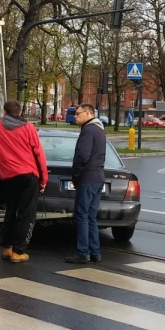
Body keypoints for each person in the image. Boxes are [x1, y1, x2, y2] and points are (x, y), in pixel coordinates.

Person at [0, 99, 48, 263]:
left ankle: (7, 248)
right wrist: (43, 179)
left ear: (4, 112)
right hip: (28, 175)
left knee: (11, 211)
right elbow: (39, 154)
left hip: (9, 176)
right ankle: (19, 251)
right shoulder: (28, 128)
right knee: (27, 214)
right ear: (20, 112)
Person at [66, 103, 106, 264]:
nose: (75, 116)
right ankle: (95, 252)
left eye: (78, 113)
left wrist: (75, 175)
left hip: (87, 177)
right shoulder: (99, 129)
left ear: (88, 114)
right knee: (91, 216)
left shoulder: (88, 130)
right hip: (98, 177)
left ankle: (83, 252)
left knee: (81, 215)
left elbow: (82, 155)